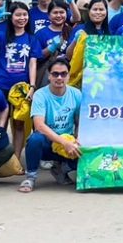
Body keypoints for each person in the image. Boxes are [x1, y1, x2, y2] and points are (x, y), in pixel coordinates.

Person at [21, 57, 82, 193]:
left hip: (68, 141)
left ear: (68, 76)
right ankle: (30, 177)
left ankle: (62, 169)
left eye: (63, 74)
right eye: (55, 74)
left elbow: (80, 122)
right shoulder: (40, 95)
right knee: (35, 139)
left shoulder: (76, 94)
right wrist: (64, 142)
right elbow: (39, 126)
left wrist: (78, 139)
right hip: (48, 143)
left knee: (87, 147)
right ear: (49, 76)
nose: (59, 78)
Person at [0, 1, 40, 154]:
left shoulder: (31, 39)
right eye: (18, 15)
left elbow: (32, 63)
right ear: (11, 17)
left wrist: (32, 86)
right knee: (0, 124)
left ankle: (16, 159)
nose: (22, 18)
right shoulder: (2, 36)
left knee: (18, 124)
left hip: (21, 88)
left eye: (25, 14)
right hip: (1, 85)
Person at [37, 0, 82, 66]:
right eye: (55, 13)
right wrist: (50, 48)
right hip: (49, 70)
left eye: (61, 12)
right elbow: (36, 57)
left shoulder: (72, 31)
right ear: (48, 15)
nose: (58, 15)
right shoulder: (40, 34)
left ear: (66, 14)